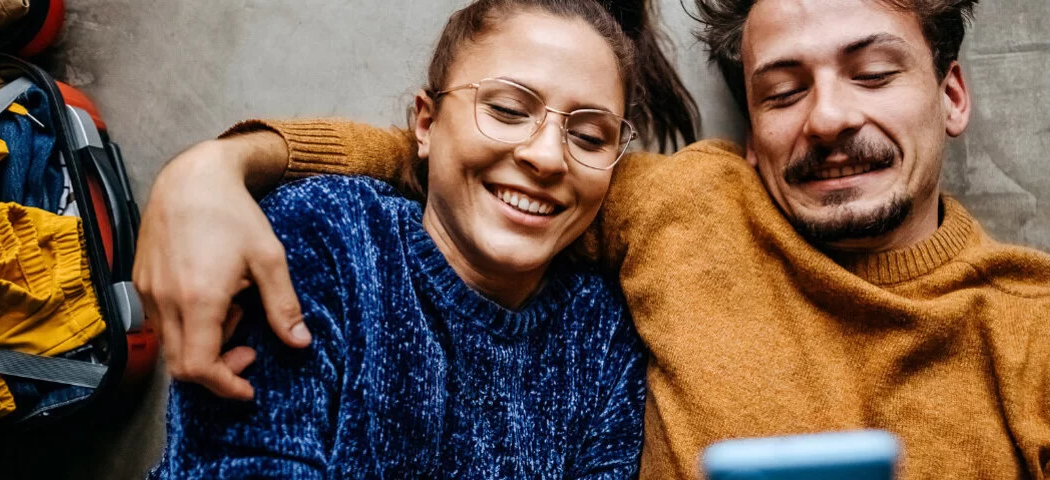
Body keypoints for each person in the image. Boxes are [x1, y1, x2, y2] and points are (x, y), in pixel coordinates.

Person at [137, 0, 1050, 478]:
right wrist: (220, 167)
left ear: (950, 93)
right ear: (756, 122)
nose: (825, 118)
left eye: (872, 71)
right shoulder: (684, 206)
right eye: (783, 90)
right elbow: (468, 162)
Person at [148, 0, 701, 477]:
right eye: (507, 111)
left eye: (587, 135)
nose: (547, 156)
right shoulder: (326, 238)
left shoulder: (601, 337)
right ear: (425, 125)